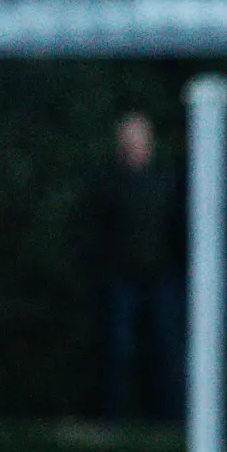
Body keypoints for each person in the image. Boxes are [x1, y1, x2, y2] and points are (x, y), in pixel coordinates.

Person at [88, 111, 184, 423]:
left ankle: (167, 419)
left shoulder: (166, 180)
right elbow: (96, 229)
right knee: (118, 348)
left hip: (160, 276)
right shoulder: (108, 181)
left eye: (138, 137)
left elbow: (175, 226)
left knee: (165, 347)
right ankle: (111, 417)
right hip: (121, 277)